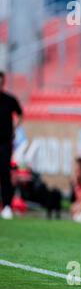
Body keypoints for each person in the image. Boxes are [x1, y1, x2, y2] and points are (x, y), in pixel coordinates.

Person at [0, 71, 23, 220]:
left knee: (4, 175)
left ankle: (7, 206)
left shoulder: (9, 100)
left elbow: (20, 114)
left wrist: (15, 128)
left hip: (4, 143)